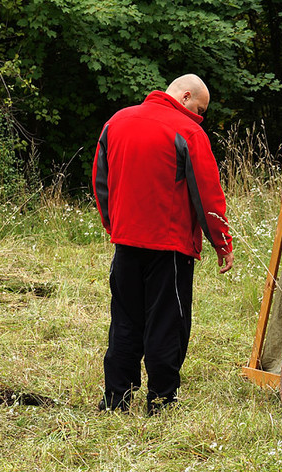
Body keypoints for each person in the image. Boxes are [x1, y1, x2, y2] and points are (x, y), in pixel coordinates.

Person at [92, 74, 233, 414]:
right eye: (199, 109)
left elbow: (100, 182)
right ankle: (161, 399)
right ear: (185, 97)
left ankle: (116, 399)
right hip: (169, 248)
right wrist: (222, 242)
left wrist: (114, 225)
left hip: (126, 243)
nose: (200, 117)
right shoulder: (188, 132)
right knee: (167, 323)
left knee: (125, 320)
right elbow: (207, 194)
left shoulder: (116, 122)